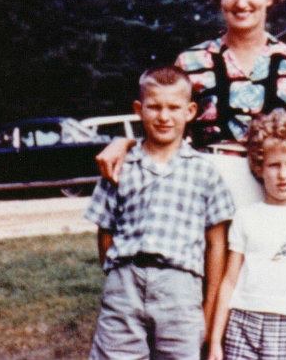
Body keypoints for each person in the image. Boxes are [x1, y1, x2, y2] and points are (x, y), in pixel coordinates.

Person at [95, 0, 286, 208]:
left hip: (271, 192)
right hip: (205, 186)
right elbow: (165, 131)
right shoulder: (191, 62)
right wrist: (125, 143)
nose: (241, 2)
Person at [85, 65, 236, 360]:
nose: (164, 117)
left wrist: (207, 310)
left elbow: (216, 244)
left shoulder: (204, 171)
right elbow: (105, 232)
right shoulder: (120, 167)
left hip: (180, 288)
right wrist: (117, 277)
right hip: (125, 283)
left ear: (190, 111)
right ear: (139, 110)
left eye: (173, 108)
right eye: (154, 107)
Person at [207, 111, 286, 360]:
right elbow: (229, 281)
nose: (283, 175)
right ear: (259, 167)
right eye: (274, 165)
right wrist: (215, 341)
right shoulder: (246, 216)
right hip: (243, 320)